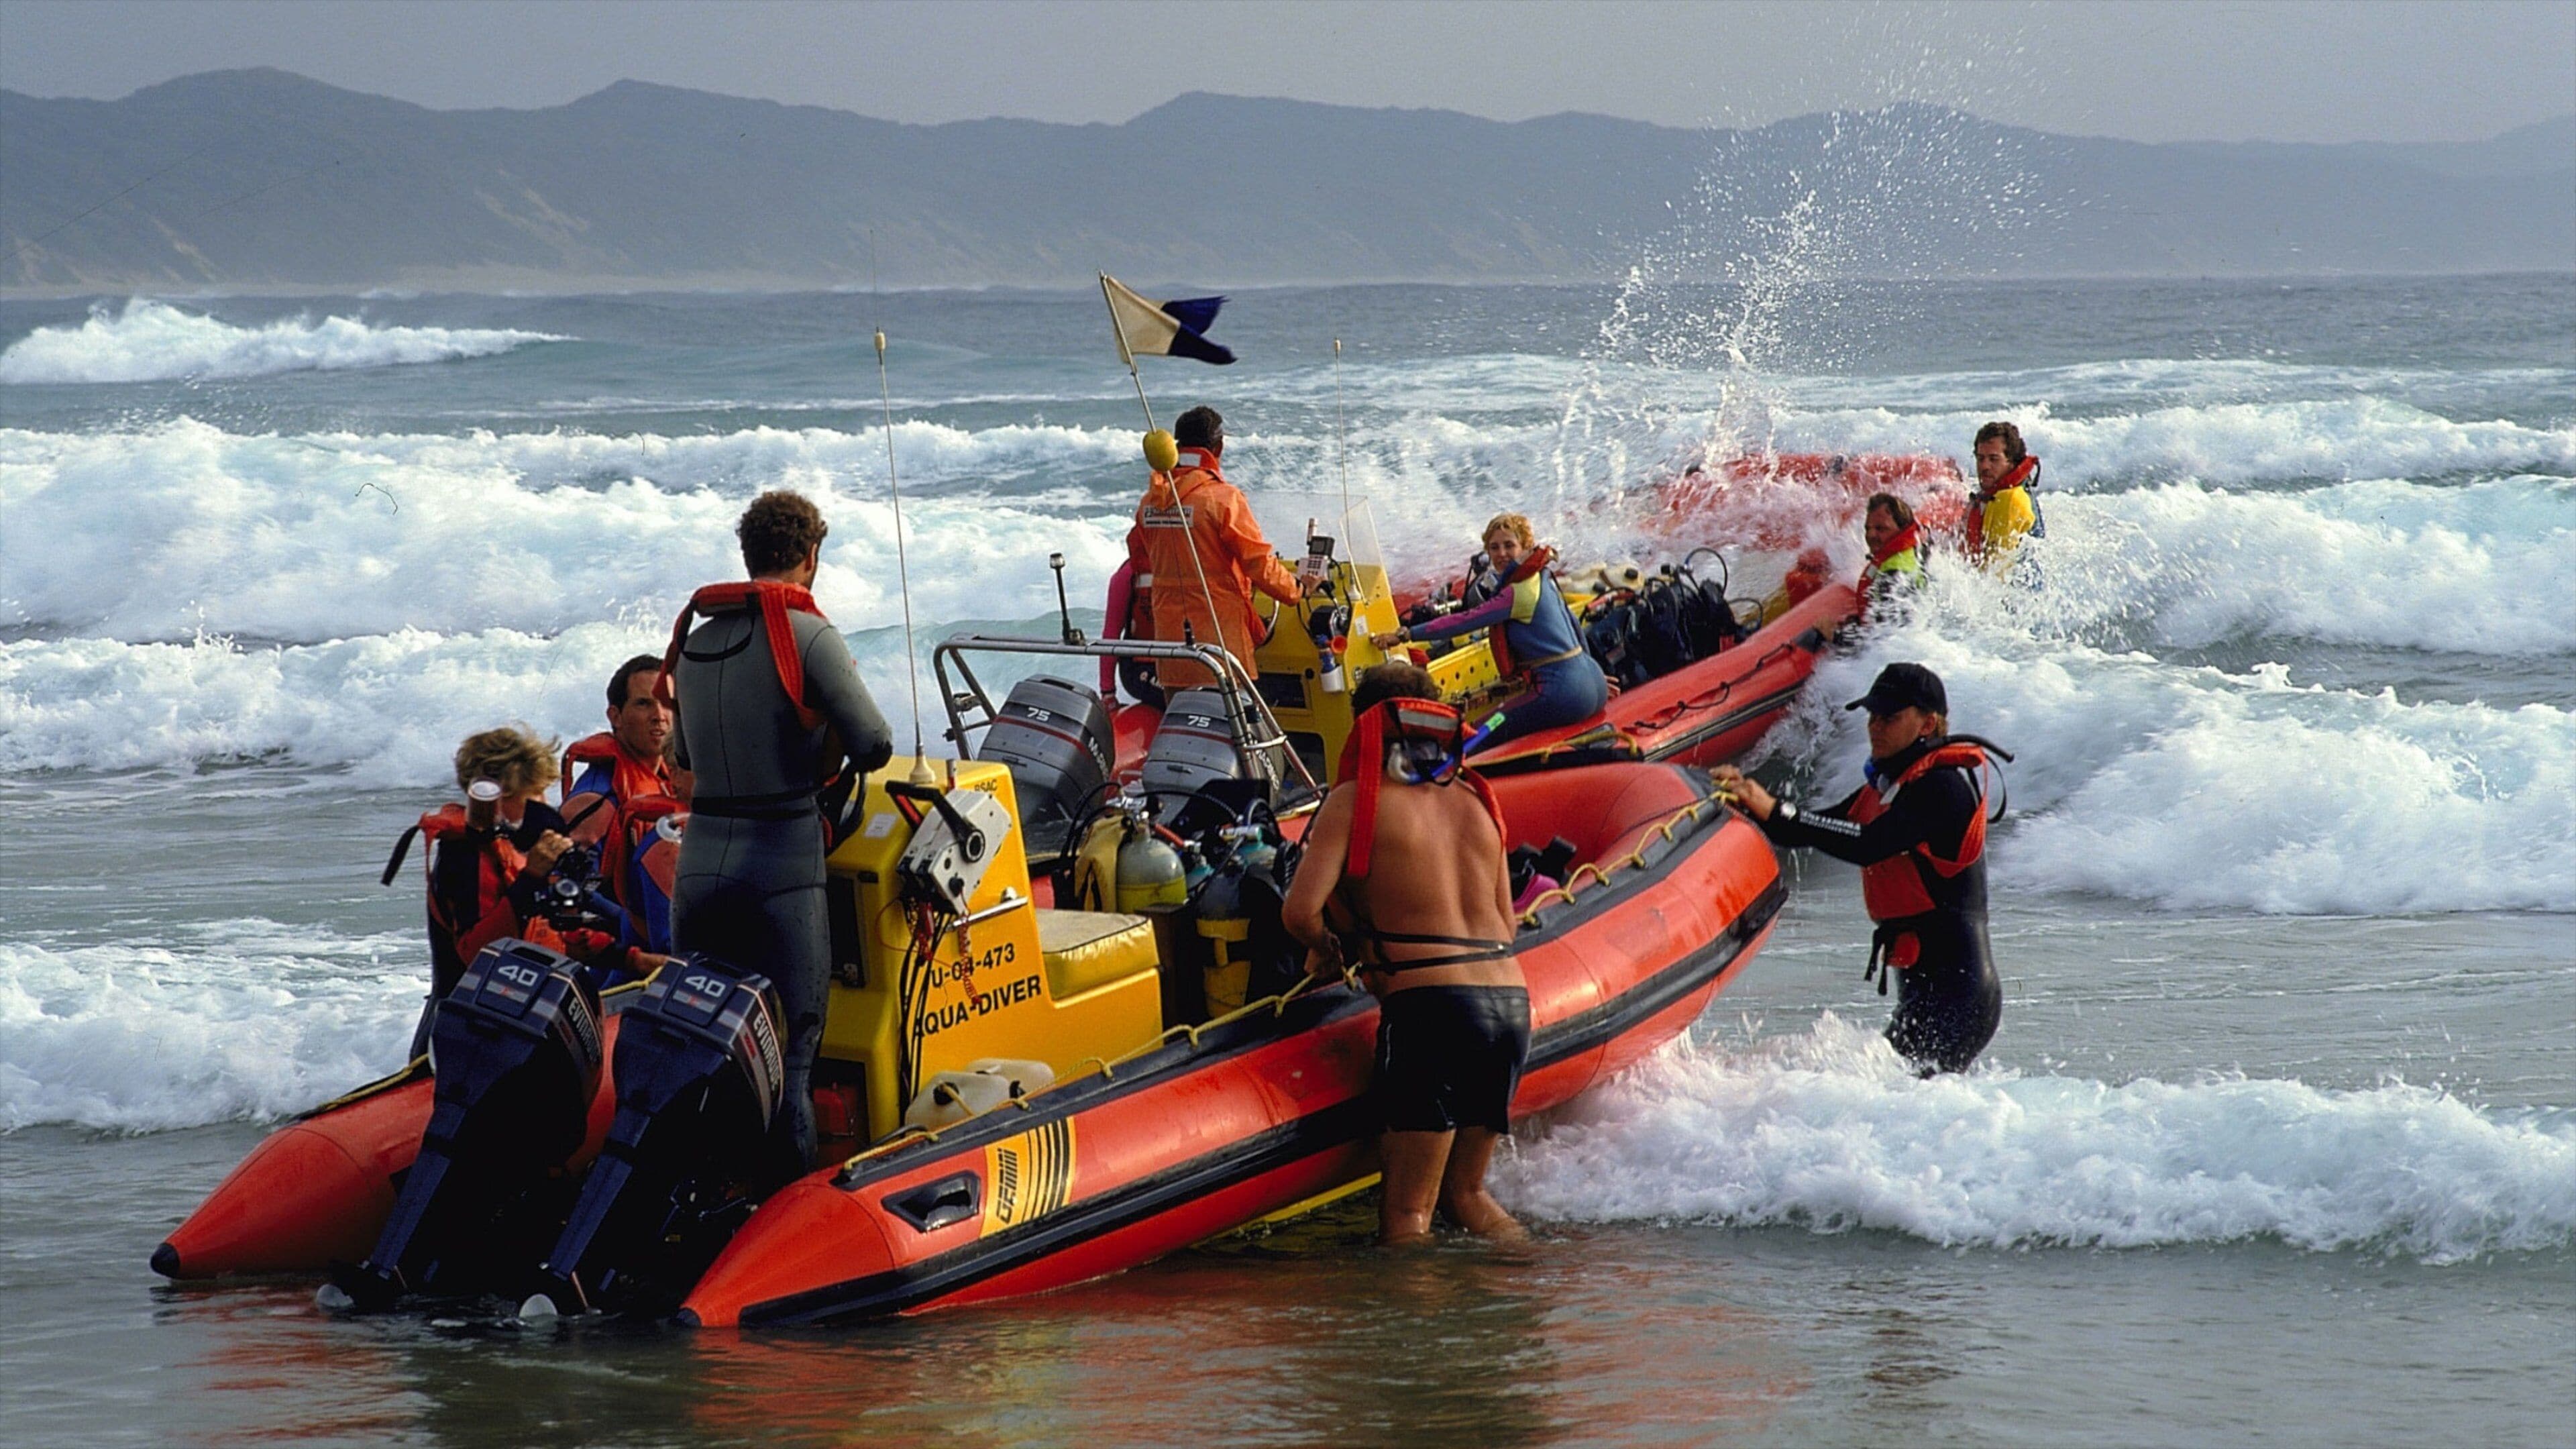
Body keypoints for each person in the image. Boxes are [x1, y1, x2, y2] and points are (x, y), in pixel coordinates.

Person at [662, 490, 894, 1181]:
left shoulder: (698, 641)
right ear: (810, 555)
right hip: (781, 866)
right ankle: (783, 1221)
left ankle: (700, 1207)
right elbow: (876, 744)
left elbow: (680, 761)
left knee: (705, 1043)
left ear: (748, 555)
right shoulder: (808, 634)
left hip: (700, 867)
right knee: (793, 1055)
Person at [1283, 663, 1529, 1245]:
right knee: (1467, 1195)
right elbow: (1509, 925)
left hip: (1433, 1010)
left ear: (1363, 726)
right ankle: (1529, 1285)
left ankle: (1415, 1337)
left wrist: (1332, 949)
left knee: (1407, 1216)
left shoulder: (1355, 802)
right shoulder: (1476, 800)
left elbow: (1298, 913)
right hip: (1511, 1004)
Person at [1713, 663, 2004, 1075]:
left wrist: (1778, 809)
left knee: (1900, 1100)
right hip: (1925, 995)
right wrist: (1744, 800)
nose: (1875, 727)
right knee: (1901, 1102)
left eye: (1890, 717)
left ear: (1928, 723)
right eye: (1872, 716)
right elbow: (1809, 829)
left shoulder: (1943, 787)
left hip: (1960, 999)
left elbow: (1868, 844)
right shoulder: (1890, 787)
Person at [392, 726, 665, 1057]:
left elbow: (556, 933)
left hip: (523, 1020)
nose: (543, 805)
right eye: (532, 795)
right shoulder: (463, 855)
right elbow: (480, 953)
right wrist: (532, 877)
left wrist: (633, 960)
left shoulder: (519, 849)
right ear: (498, 798)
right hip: (463, 1032)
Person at [1372, 513, 1607, 752]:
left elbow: (1466, 620)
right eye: (1494, 548)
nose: (1501, 554)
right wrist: (1589, 674)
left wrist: (1406, 635)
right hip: (1594, 680)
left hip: (1565, 693)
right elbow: (1574, 625)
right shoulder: (1542, 577)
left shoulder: (1517, 592)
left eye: (1509, 546)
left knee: (1478, 731)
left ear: (1526, 546)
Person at [1126, 407, 1303, 691]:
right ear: (1218, 447)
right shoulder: (1222, 499)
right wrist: (1296, 590)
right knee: (1232, 730)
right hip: (1220, 645)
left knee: (1182, 724)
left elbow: (1140, 556)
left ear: (1178, 446)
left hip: (1171, 647)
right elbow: (1258, 563)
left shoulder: (1149, 503)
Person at [559, 654, 684, 955]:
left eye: (666, 702)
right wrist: (630, 923)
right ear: (615, 717)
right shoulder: (598, 799)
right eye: (644, 704)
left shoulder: (674, 776)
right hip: (616, 957)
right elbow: (569, 888)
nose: (659, 716)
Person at [1967, 421, 2043, 574]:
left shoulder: (2011, 501)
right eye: (1980, 458)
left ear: (2012, 462)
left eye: (1994, 459)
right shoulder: (1998, 493)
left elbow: (1996, 574)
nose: (1985, 466)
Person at [1859, 492, 1925, 615]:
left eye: (1881, 528)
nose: (1870, 535)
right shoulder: (1911, 552)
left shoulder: (1894, 576)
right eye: (1868, 528)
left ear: (1902, 529)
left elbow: (1888, 633)